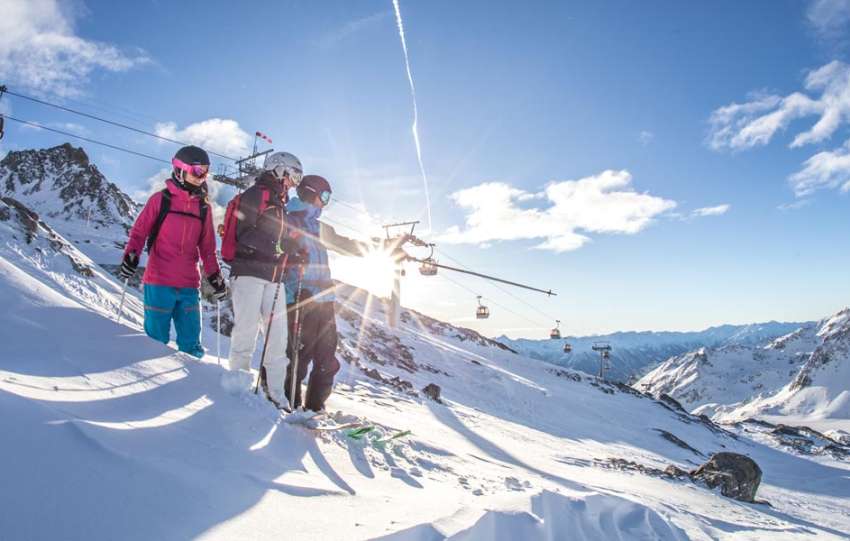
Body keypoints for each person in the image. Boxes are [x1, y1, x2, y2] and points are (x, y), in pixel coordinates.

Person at [282, 175, 382, 412]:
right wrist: (289, 253)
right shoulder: (287, 220)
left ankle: (315, 407)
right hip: (299, 297)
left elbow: (345, 245)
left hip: (325, 300)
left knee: (327, 360)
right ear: (309, 193)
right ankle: (289, 404)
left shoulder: (321, 228)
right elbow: (276, 250)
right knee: (299, 357)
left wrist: (382, 248)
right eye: (324, 196)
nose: (325, 203)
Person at [118, 145, 227, 357]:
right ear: (180, 169)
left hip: (188, 284)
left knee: (191, 343)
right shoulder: (161, 200)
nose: (202, 176)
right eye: (197, 170)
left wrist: (214, 276)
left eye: (206, 171)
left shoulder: (203, 208)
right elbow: (139, 232)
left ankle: (190, 384)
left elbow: (207, 249)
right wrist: (131, 256)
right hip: (159, 282)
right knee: (155, 342)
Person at [221, 151, 303, 406]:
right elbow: (245, 234)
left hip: (273, 277)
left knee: (277, 338)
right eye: (293, 176)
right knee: (246, 330)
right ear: (279, 170)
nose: (293, 183)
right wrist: (279, 246)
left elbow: (279, 243)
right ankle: (237, 386)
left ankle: (278, 396)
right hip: (248, 273)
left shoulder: (280, 206)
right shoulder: (256, 194)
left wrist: (292, 252)